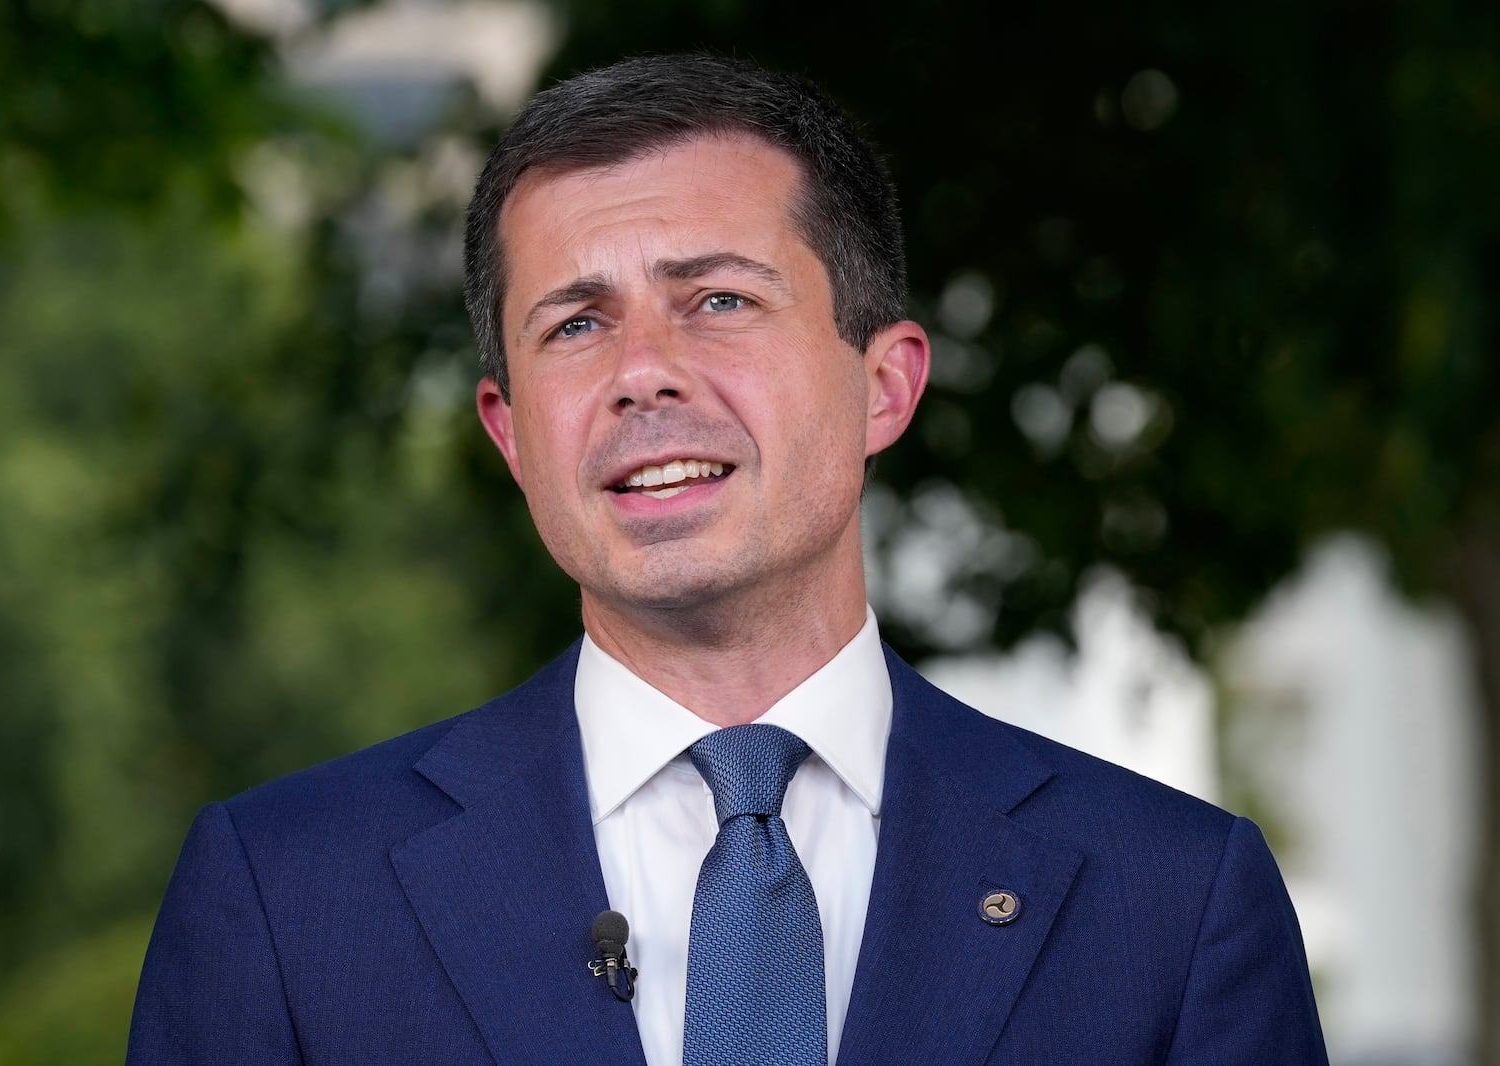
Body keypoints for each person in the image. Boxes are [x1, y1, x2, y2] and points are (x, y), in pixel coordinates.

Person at [126, 54, 1328, 1065]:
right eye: (577, 324)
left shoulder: (1170, 904)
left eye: (716, 302)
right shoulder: (287, 899)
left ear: (886, 383)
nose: (642, 371)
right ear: (508, 430)